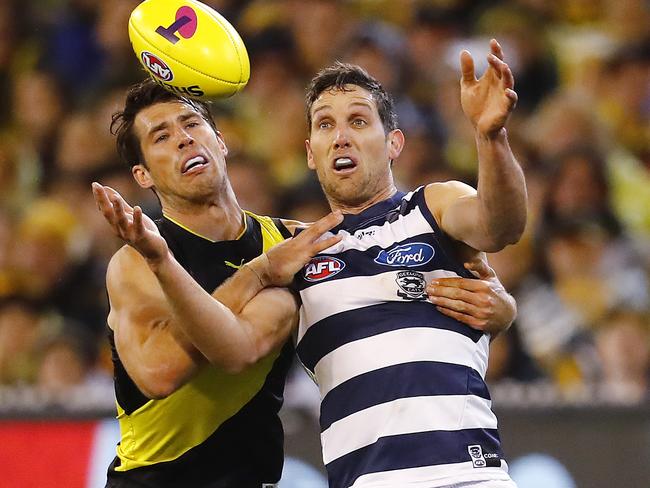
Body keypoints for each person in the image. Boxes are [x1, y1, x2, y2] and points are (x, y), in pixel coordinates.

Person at [93, 47, 519, 486]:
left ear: (221, 142)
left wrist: (502, 305)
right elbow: (165, 370)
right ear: (142, 176)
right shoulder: (141, 259)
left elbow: (491, 227)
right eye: (161, 136)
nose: (184, 139)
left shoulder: (293, 245)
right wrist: (243, 272)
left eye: (192, 124)